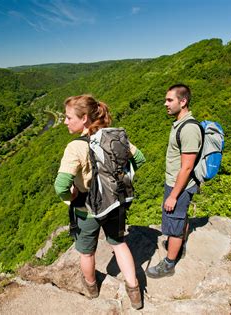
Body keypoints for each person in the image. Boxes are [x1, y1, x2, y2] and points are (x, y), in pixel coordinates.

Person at [54, 94, 146, 309]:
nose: (65, 122)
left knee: (87, 251)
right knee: (119, 243)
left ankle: (92, 290)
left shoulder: (75, 147)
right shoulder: (112, 136)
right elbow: (139, 158)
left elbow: (60, 186)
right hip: (114, 202)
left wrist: (71, 197)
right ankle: (135, 295)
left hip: (87, 208)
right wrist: (118, 179)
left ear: (84, 118)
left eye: (68, 117)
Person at [146, 84, 202, 279]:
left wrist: (173, 195)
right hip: (177, 182)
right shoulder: (181, 123)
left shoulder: (189, 129)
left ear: (183, 101)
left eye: (170, 100)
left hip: (179, 185)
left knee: (174, 224)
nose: (165, 104)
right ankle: (178, 247)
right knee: (180, 218)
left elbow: (186, 167)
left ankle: (169, 264)